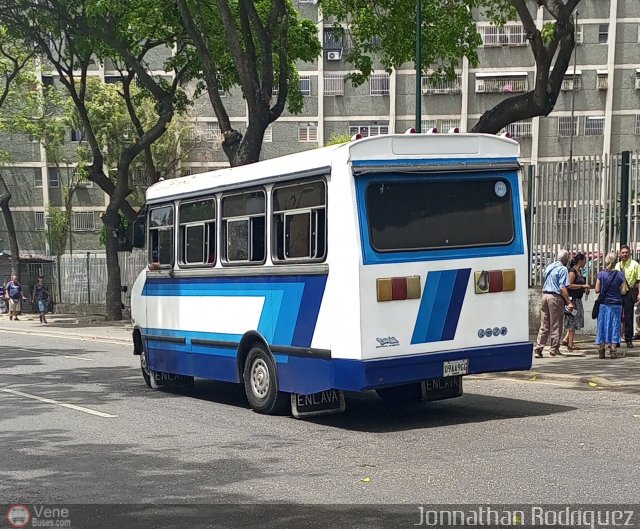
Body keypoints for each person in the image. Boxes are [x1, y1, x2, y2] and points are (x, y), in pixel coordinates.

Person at [534, 249, 574, 358]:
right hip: (555, 297)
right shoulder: (563, 269)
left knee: (544, 324)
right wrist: (569, 302)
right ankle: (554, 349)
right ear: (566, 259)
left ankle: (539, 348)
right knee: (556, 324)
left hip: (545, 295)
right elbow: (562, 288)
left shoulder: (549, 267)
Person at [596, 252, 628, 359]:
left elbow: (597, 290)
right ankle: (613, 350)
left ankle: (601, 349)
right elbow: (623, 291)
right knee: (615, 326)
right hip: (616, 304)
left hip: (604, 304)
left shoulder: (601, 274)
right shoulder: (620, 275)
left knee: (602, 326)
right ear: (616, 261)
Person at [562, 252, 590, 350]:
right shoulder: (572, 272)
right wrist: (582, 286)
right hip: (572, 300)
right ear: (580, 261)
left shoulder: (580, 272)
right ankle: (570, 343)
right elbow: (569, 285)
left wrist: (584, 290)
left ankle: (567, 339)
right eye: (584, 260)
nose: (585, 262)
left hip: (578, 298)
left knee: (575, 319)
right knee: (572, 321)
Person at [615, 245, 640, 348]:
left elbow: (639, 280)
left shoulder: (635, 265)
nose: (624, 254)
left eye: (626, 252)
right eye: (623, 252)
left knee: (629, 317)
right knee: (617, 316)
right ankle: (616, 339)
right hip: (618, 293)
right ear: (620, 254)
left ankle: (628, 339)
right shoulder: (617, 265)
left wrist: (639, 293)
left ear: (629, 253)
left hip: (630, 292)